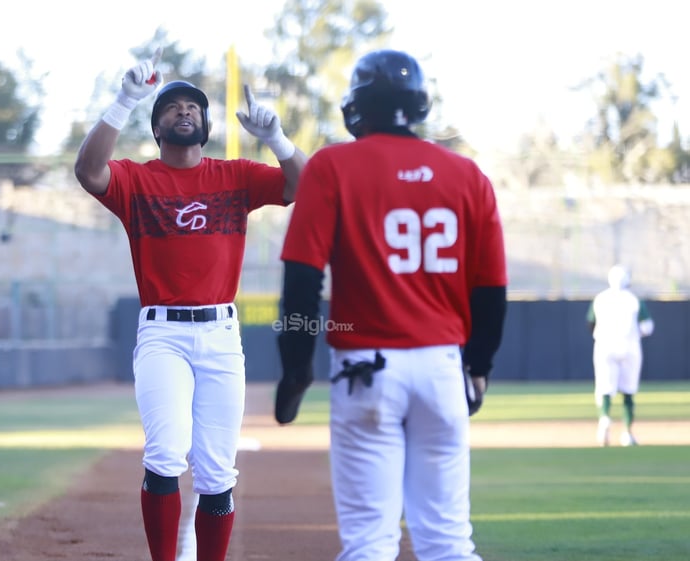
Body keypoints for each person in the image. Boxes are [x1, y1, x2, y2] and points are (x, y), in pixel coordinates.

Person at [74, 46, 307, 561]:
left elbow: (305, 186)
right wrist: (123, 101)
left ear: (204, 125)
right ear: (158, 129)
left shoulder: (237, 175)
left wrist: (276, 138)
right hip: (162, 334)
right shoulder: (137, 179)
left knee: (218, 469)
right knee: (164, 453)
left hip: (222, 335)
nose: (185, 111)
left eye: (194, 108)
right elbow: (89, 171)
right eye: (172, 108)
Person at [273, 49, 508, 561]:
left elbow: (302, 282)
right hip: (444, 369)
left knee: (369, 544)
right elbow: (491, 290)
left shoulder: (333, 165)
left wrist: (294, 369)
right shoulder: (467, 175)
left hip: (366, 369)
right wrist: (480, 365)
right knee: (448, 542)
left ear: (358, 106)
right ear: (418, 105)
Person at [587, 265, 654, 447]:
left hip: (604, 347)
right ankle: (627, 433)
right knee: (628, 390)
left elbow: (591, 323)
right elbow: (647, 327)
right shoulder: (633, 300)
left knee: (605, 387)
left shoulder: (600, 299)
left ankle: (605, 419)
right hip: (629, 347)